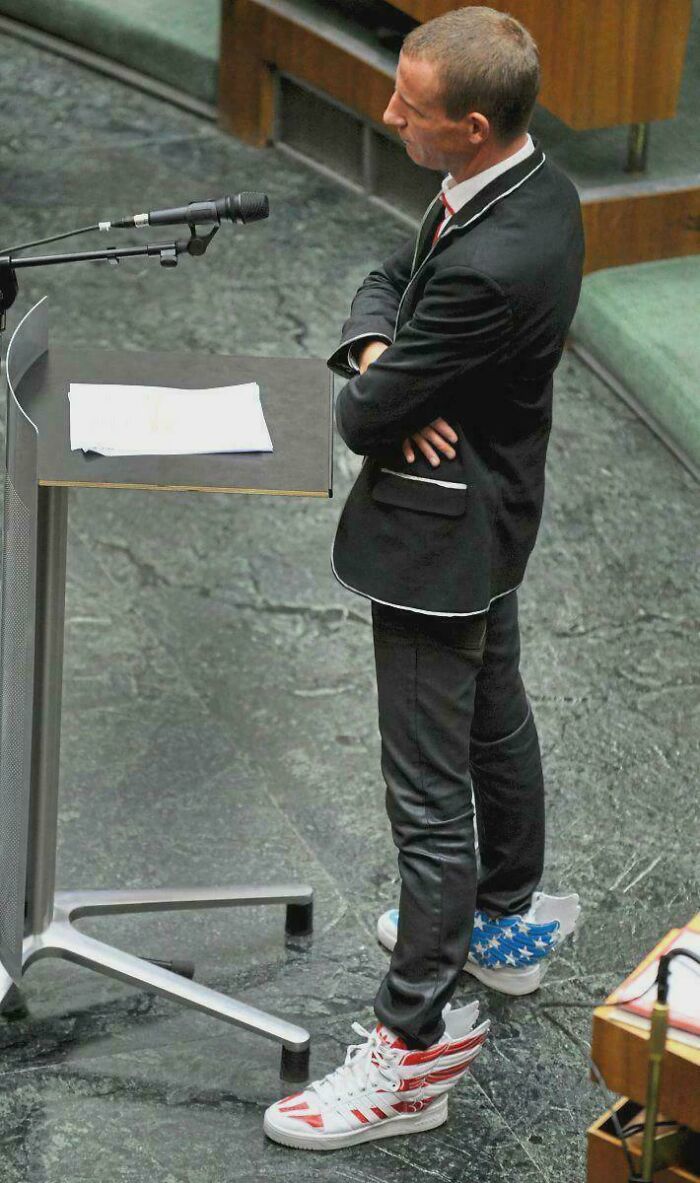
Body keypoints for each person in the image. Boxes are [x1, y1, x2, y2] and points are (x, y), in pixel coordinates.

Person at [264, 6, 585, 1151]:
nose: (387, 111)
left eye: (410, 104)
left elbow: (363, 419)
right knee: (496, 724)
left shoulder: (492, 266)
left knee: (426, 801)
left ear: (472, 123)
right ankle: (504, 924)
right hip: (493, 517)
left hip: (438, 545)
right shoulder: (526, 186)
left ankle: (413, 1048)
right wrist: (378, 343)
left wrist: (378, 375)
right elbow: (381, 276)